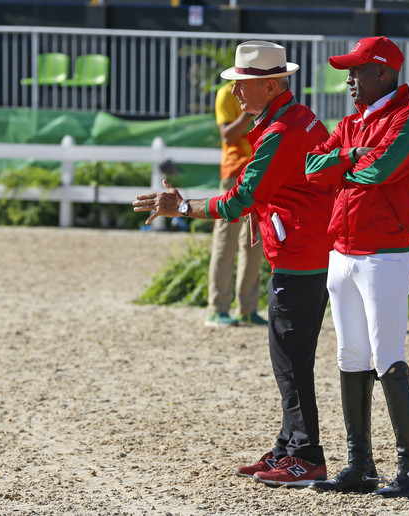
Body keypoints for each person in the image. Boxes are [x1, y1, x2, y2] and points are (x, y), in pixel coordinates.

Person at [133, 40, 335, 487]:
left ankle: (305, 455)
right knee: (288, 355)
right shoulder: (291, 120)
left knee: (290, 359)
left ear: (270, 84)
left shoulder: (282, 130)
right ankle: (289, 447)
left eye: (243, 84)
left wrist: (182, 208)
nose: (236, 92)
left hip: (301, 256)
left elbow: (243, 198)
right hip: (305, 250)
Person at [303, 36, 409, 500]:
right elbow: (312, 168)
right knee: (351, 359)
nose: (349, 79)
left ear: (383, 72)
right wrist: (351, 157)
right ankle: (361, 464)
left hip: (385, 256)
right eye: (349, 71)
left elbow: (381, 171)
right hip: (343, 252)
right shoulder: (352, 123)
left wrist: (347, 163)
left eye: (357, 70)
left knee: (388, 359)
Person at [205, 80, 266, 327]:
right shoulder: (225, 93)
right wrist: (248, 113)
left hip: (259, 170)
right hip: (233, 173)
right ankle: (216, 308)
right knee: (226, 240)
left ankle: (247, 309)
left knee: (254, 241)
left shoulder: (265, 91)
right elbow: (227, 135)